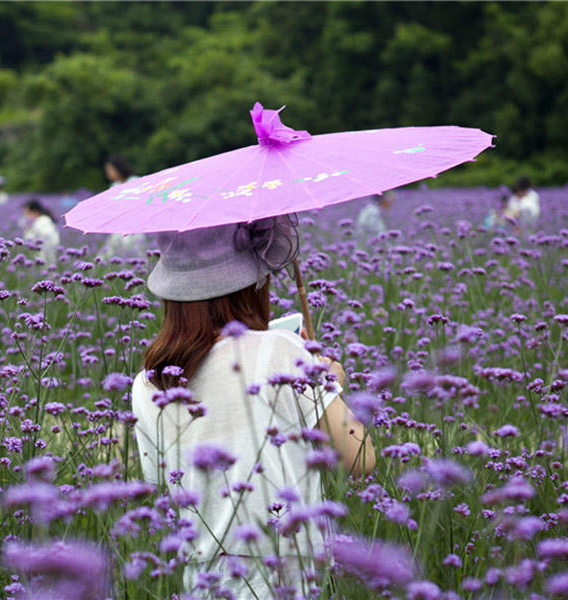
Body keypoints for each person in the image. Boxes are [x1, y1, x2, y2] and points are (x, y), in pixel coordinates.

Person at [131, 217, 375, 599]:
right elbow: (360, 460)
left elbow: (160, 483)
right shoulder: (279, 348)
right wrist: (331, 384)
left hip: (204, 584)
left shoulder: (148, 383)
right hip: (288, 583)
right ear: (251, 284)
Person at [101, 155, 146, 258]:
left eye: (110, 170)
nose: (108, 174)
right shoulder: (114, 186)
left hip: (135, 224)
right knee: (112, 252)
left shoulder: (135, 181)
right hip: (118, 225)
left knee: (136, 252)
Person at [22, 199, 60, 266]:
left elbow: (46, 238)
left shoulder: (42, 221)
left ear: (35, 212)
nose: (26, 216)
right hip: (45, 253)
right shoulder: (41, 220)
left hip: (45, 254)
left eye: (27, 213)